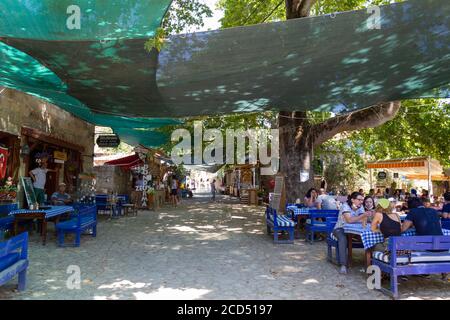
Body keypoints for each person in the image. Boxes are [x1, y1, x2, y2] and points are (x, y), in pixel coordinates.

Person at [332, 192, 369, 274]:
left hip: (355, 229)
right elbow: (349, 220)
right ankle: (343, 265)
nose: (361, 201)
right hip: (340, 228)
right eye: (359, 200)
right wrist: (361, 217)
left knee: (367, 235)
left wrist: (361, 218)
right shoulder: (345, 206)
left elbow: (363, 220)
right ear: (352, 200)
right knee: (343, 239)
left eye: (362, 200)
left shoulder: (360, 207)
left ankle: (369, 263)